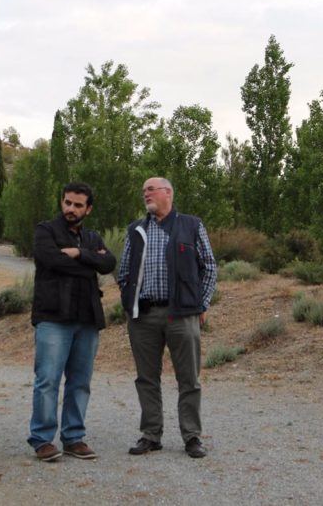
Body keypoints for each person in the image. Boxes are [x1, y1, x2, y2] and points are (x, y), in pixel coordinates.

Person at [116, 177, 217, 459]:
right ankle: (151, 435)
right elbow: (123, 273)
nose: (145, 193)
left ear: (168, 193)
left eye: (151, 189)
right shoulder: (136, 230)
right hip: (143, 316)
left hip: (182, 314)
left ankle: (192, 436)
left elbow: (209, 268)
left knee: (189, 380)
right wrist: (129, 304)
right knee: (146, 379)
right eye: (143, 190)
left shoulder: (191, 225)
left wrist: (202, 303)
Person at [28, 182, 116, 462]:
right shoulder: (45, 231)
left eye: (78, 205)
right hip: (53, 317)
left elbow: (109, 263)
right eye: (67, 202)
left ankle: (73, 437)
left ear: (88, 209)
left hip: (87, 318)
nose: (71, 209)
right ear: (62, 202)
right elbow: (51, 261)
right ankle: (42, 440)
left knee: (80, 382)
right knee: (48, 380)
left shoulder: (91, 237)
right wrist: (90, 263)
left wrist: (79, 254)